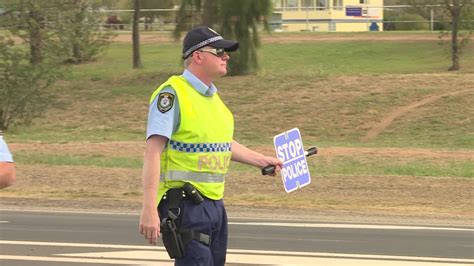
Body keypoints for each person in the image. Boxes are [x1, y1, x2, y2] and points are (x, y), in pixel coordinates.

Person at [139, 26, 283, 265]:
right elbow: (152, 152)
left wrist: (261, 160)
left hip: (215, 205)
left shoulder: (213, 100)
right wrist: (149, 208)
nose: (226, 57)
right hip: (184, 205)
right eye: (219, 51)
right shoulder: (172, 94)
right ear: (197, 56)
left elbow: (222, 144)